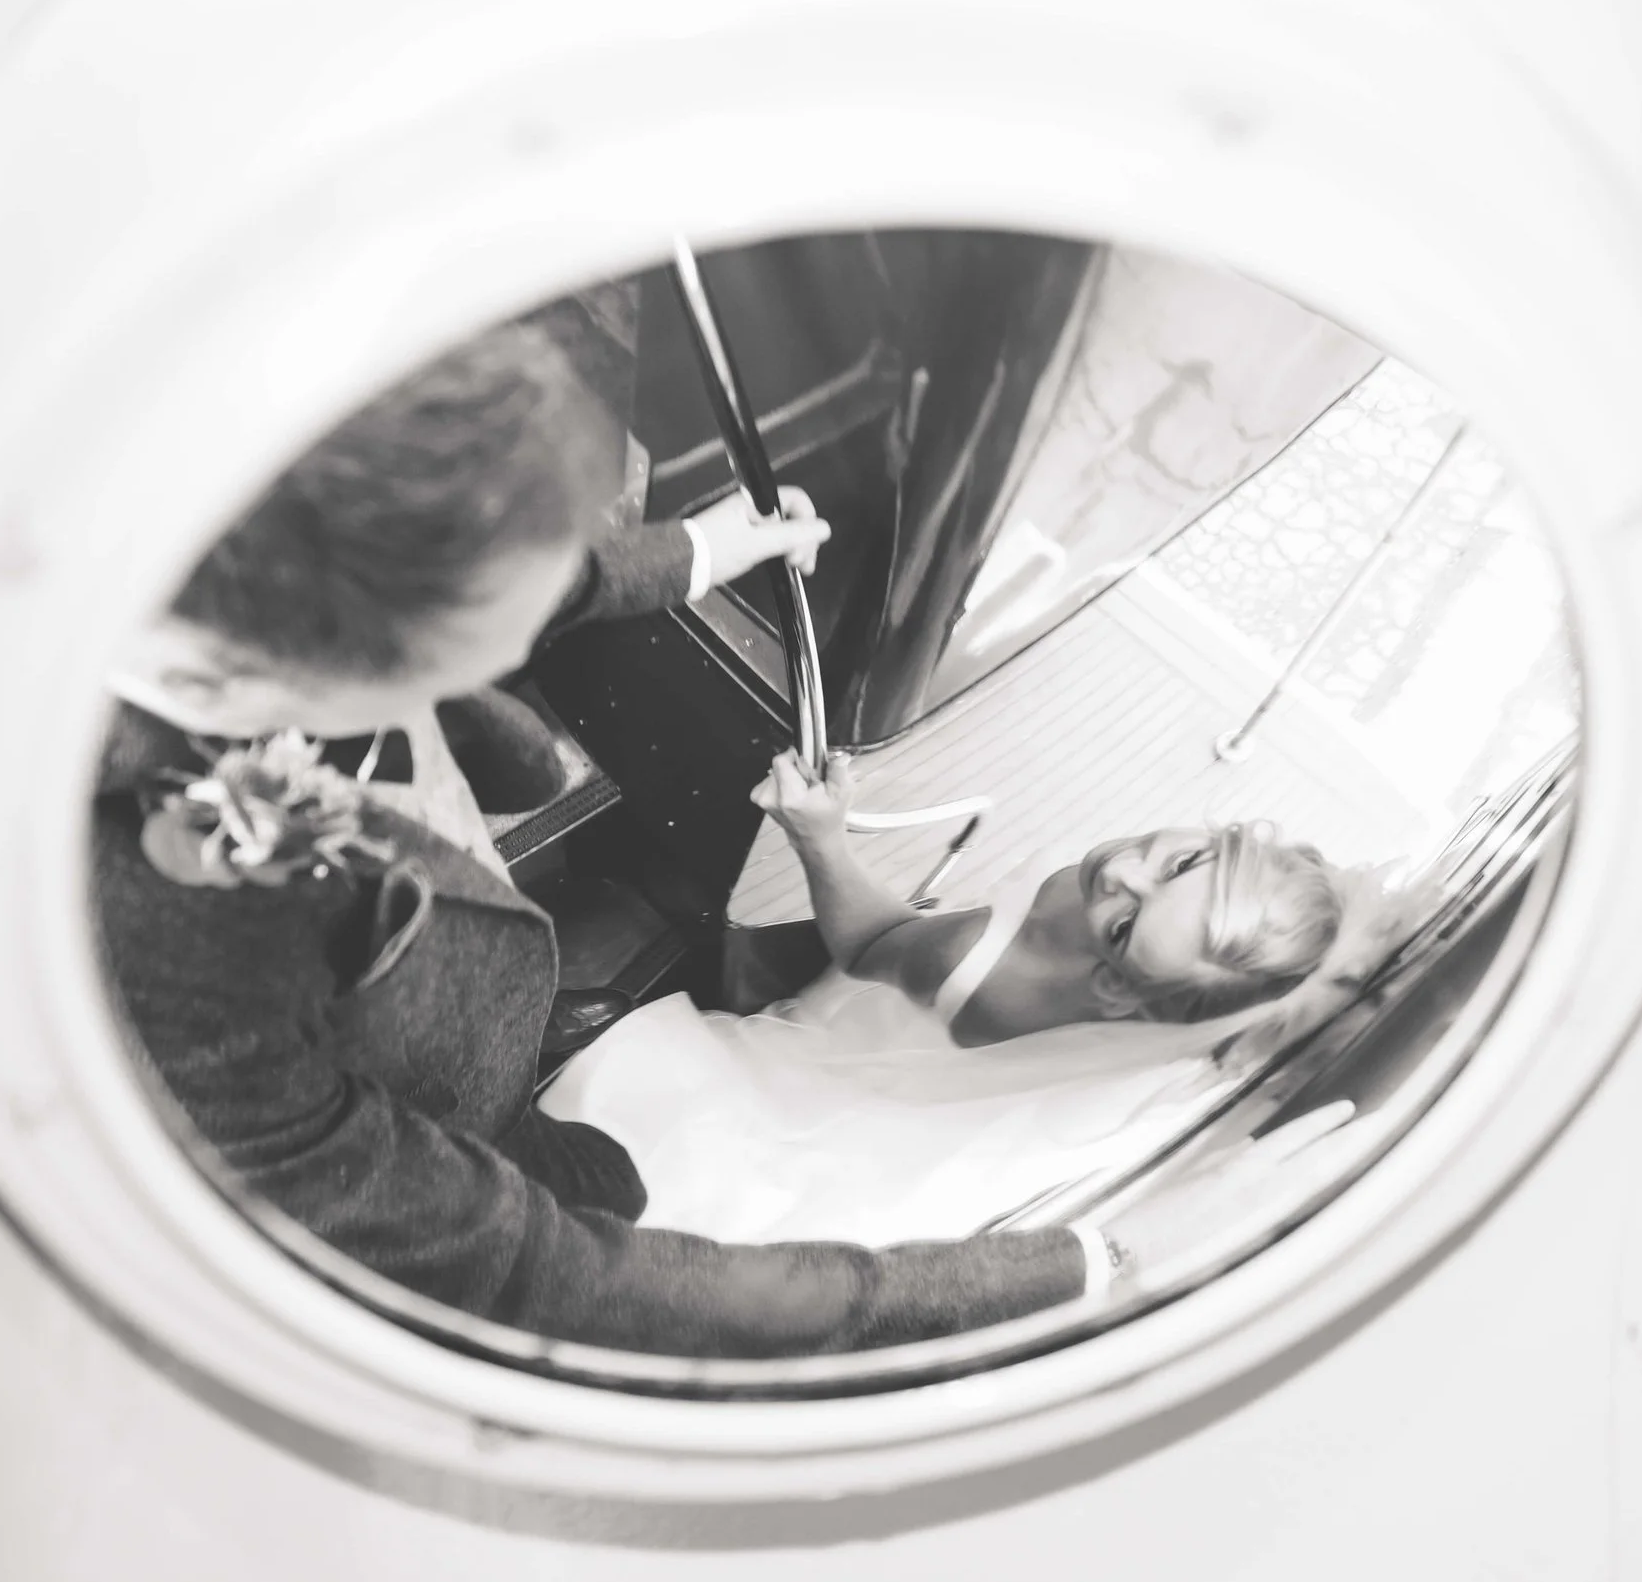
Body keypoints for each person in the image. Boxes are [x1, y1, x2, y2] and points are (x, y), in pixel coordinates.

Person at [93, 300, 1120, 1358]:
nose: (519, 656)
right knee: (606, 1202)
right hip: (412, 1113)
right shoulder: (178, 961)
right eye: (482, 652)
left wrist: (694, 555)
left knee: (612, 1170)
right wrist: (995, 1287)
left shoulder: (253, 577)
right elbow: (534, 1270)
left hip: (478, 1038)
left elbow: (501, 584)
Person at [534, 750, 1403, 1250]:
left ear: (1113, 984)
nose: (1122, 871)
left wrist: (821, 837)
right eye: (1182, 862)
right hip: (902, 1081)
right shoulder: (1159, 1024)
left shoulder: (967, 961)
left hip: (807, 1078)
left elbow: (869, 945)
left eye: (1123, 925)